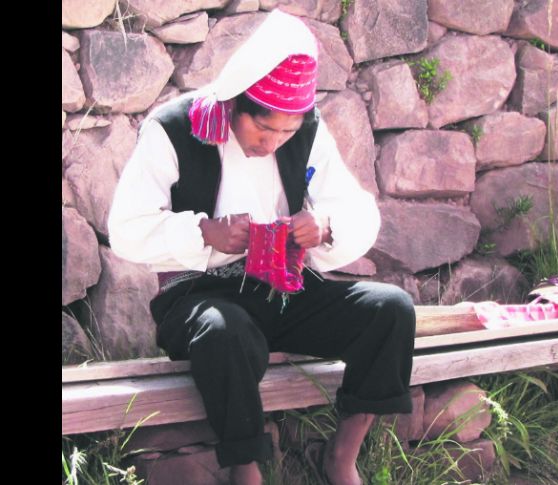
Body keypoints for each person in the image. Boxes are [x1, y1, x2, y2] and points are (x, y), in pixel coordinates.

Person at [108, 9, 415, 485]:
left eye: (286, 134)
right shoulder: (172, 128)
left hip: (284, 291)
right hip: (198, 297)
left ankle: (341, 457)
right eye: (263, 130)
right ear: (235, 105)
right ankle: (244, 471)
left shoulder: (307, 130)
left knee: (390, 308)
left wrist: (326, 226)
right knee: (225, 331)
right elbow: (125, 227)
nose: (272, 144)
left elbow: (358, 209)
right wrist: (203, 233)